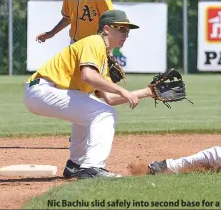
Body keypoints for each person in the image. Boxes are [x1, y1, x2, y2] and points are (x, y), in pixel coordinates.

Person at [24, 10, 152, 179]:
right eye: (121, 29)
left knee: (92, 111)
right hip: (43, 89)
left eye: (128, 31)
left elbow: (110, 99)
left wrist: (148, 92)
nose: (126, 34)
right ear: (106, 29)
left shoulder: (103, 59)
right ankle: (92, 167)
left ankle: (75, 165)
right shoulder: (95, 42)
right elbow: (88, 76)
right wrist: (123, 90)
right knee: (104, 113)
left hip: (45, 92)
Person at [36, 0, 114, 44]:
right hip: (75, 43)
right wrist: (51, 33)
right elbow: (67, 18)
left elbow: (111, 19)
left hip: (94, 45)